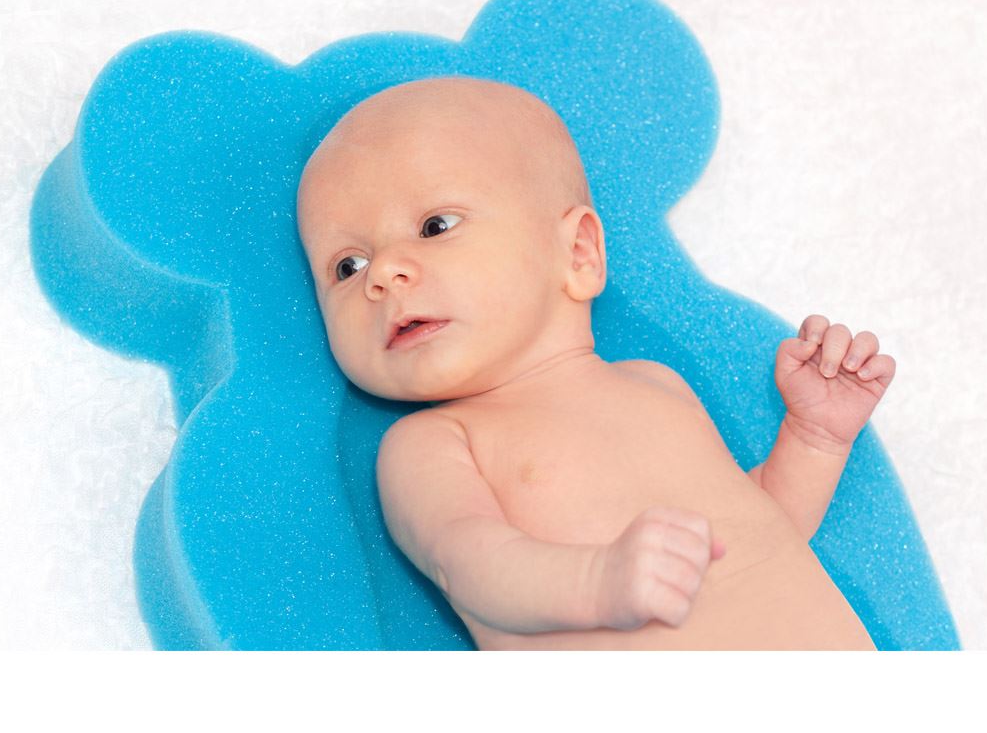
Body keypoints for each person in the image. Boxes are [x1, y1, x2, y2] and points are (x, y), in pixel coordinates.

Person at [296, 75, 895, 649]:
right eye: (347, 266)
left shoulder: (656, 385)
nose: (383, 273)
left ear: (578, 253)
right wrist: (597, 580)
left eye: (435, 226)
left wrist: (816, 438)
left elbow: (760, 533)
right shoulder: (430, 445)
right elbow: (470, 564)